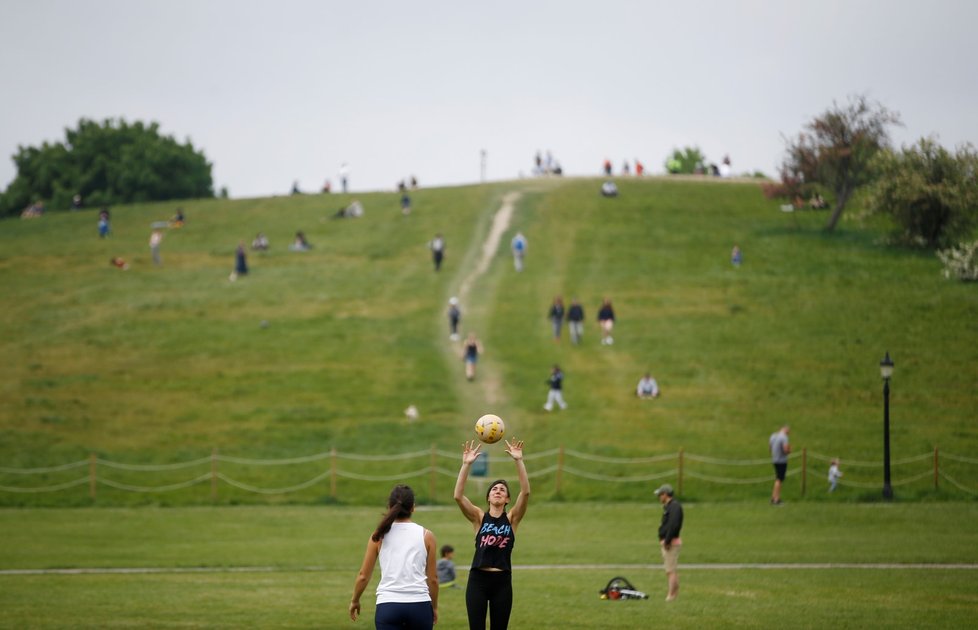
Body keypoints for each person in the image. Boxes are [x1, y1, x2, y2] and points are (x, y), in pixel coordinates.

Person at [454, 438, 530, 630]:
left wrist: (518, 461)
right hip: (477, 581)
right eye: (494, 489)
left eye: (502, 490)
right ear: (488, 497)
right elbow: (458, 496)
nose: (498, 491)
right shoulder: (479, 518)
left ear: (507, 499)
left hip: (502, 582)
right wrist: (466, 465)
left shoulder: (512, 519)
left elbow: (526, 492)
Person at [349, 484, 439, 628]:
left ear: (390, 507)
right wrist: (434, 607)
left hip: (388, 606)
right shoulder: (427, 536)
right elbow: (433, 579)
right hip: (420, 606)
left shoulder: (378, 535)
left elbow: (363, 576)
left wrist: (355, 600)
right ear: (413, 508)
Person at [654, 483, 683, 602]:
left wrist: (667, 540)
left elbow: (674, 525)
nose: (659, 498)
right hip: (669, 541)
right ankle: (673, 594)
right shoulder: (670, 506)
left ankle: (671, 595)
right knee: (671, 570)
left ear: (665, 494)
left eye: (660, 495)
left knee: (670, 571)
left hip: (670, 542)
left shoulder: (674, 507)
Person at [769, 425, 791, 505]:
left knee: (777, 479)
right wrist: (789, 450)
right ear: (786, 429)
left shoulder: (773, 436)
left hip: (774, 460)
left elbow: (770, 448)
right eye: (788, 431)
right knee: (779, 479)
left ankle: (773, 497)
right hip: (782, 461)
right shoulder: (784, 437)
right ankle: (777, 499)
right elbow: (785, 450)